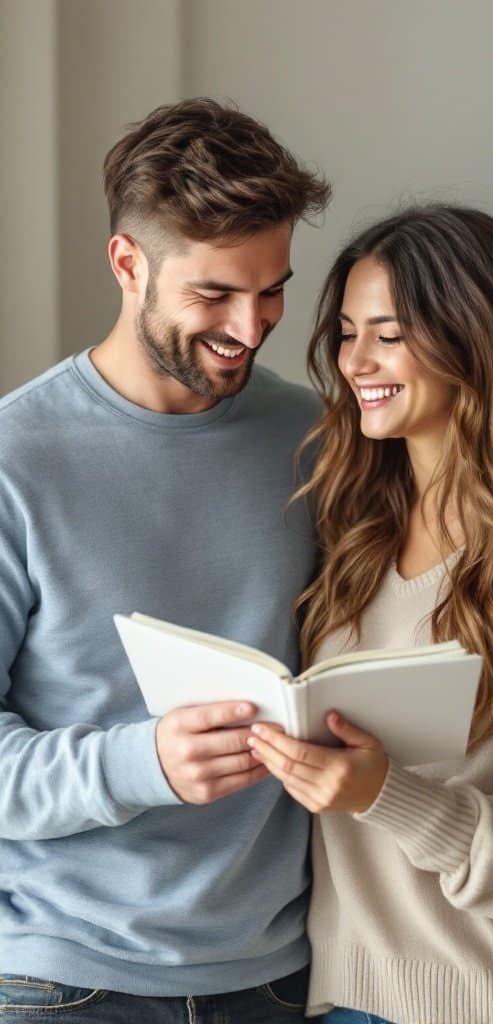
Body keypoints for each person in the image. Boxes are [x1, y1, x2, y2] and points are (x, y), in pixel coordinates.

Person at [0, 98, 331, 1022]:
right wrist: (140, 762)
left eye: (273, 289)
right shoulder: (15, 459)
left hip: (277, 974)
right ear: (126, 263)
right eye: (216, 293)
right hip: (66, 984)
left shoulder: (316, 437)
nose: (252, 324)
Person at [247, 206, 493, 1024]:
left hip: (492, 1003)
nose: (355, 361)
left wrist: (385, 794)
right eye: (349, 332)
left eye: (387, 335)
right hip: (333, 1000)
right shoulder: (353, 529)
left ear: (473, 339)